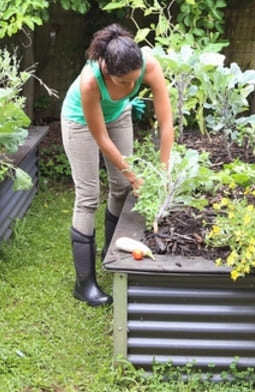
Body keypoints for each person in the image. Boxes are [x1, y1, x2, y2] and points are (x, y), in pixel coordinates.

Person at [60, 24, 173, 306]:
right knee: (88, 197)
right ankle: (84, 284)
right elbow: (100, 137)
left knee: (121, 188)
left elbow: (166, 122)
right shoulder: (90, 80)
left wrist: (163, 170)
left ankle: (111, 252)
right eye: (123, 82)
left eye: (134, 82)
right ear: (107, 71)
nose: (129, 87)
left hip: (118, 116)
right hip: (80, 123)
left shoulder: (149, 65)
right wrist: (135, 175)